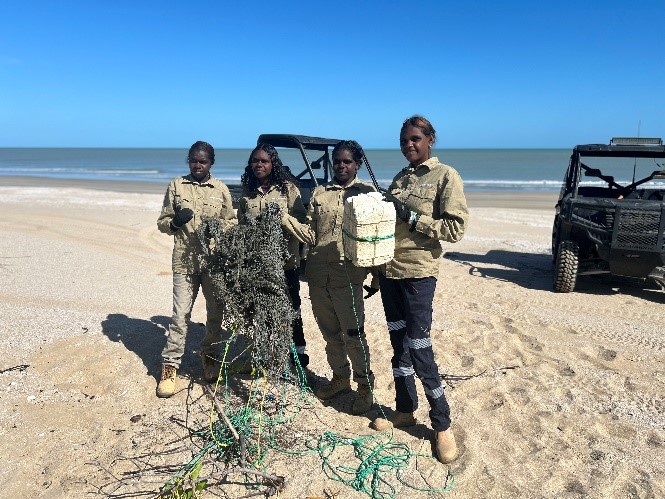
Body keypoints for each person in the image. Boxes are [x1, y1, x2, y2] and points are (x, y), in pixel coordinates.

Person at [371, 116, 469, 464]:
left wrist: (412, 217)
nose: (408, 145)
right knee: (398, 343)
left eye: (415, 139)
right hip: (389, 272)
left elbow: (455, 229)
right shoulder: (401, 177)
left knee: (419, 346)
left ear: (430, 140)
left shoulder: (446, 176)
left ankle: (442, 424)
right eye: (404, 140)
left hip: (418, 275)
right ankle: (405, 409)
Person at [155, 141, 236, 398]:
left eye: (203, 161)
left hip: (213, 264)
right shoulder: (177, 185)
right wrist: (175, 223)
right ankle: (170, 368)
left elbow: (231, 223)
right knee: (180, 317)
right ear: (188, 160)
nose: (197, 165)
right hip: (184, 263)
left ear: (211, 163)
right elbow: (162, 223)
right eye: (193, 160)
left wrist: (219, 231)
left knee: (215, 316)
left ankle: (209, 358)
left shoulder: (221, 189)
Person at [305, 140, 379, 415]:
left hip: (348, 276)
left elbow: (375, 239)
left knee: (354, 334)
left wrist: (377, 275)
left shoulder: (368, 195)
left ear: (357, 164)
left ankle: (365, 387)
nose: (341, 165)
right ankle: (340, 379)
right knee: (330, 334)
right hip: (318, 275)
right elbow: (310, 232)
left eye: (347, 161)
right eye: (337, 161)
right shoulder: (319, 193)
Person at [238, 143, 312, 367]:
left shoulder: (287, 189)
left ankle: (298, 355)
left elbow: (303, 226)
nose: (259, 165)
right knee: (261, 310)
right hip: (257, 265)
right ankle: (265, 355)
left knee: (292, 309)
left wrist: (282, 218)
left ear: (273, 164)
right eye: (255, 161)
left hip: (286, 264)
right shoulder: (247, 192)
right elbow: (241, 227)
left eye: (264, 161)